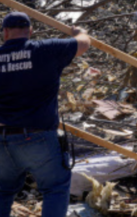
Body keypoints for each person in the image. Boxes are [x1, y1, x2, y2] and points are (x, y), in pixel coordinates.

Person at [0, 12, 90, 217]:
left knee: (2, 191)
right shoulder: (46, 50)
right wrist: (79, 31)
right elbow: (83, 43)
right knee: (55, 188)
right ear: (30, 32)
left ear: (5, 32)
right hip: (38, 136)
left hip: (2, 139)